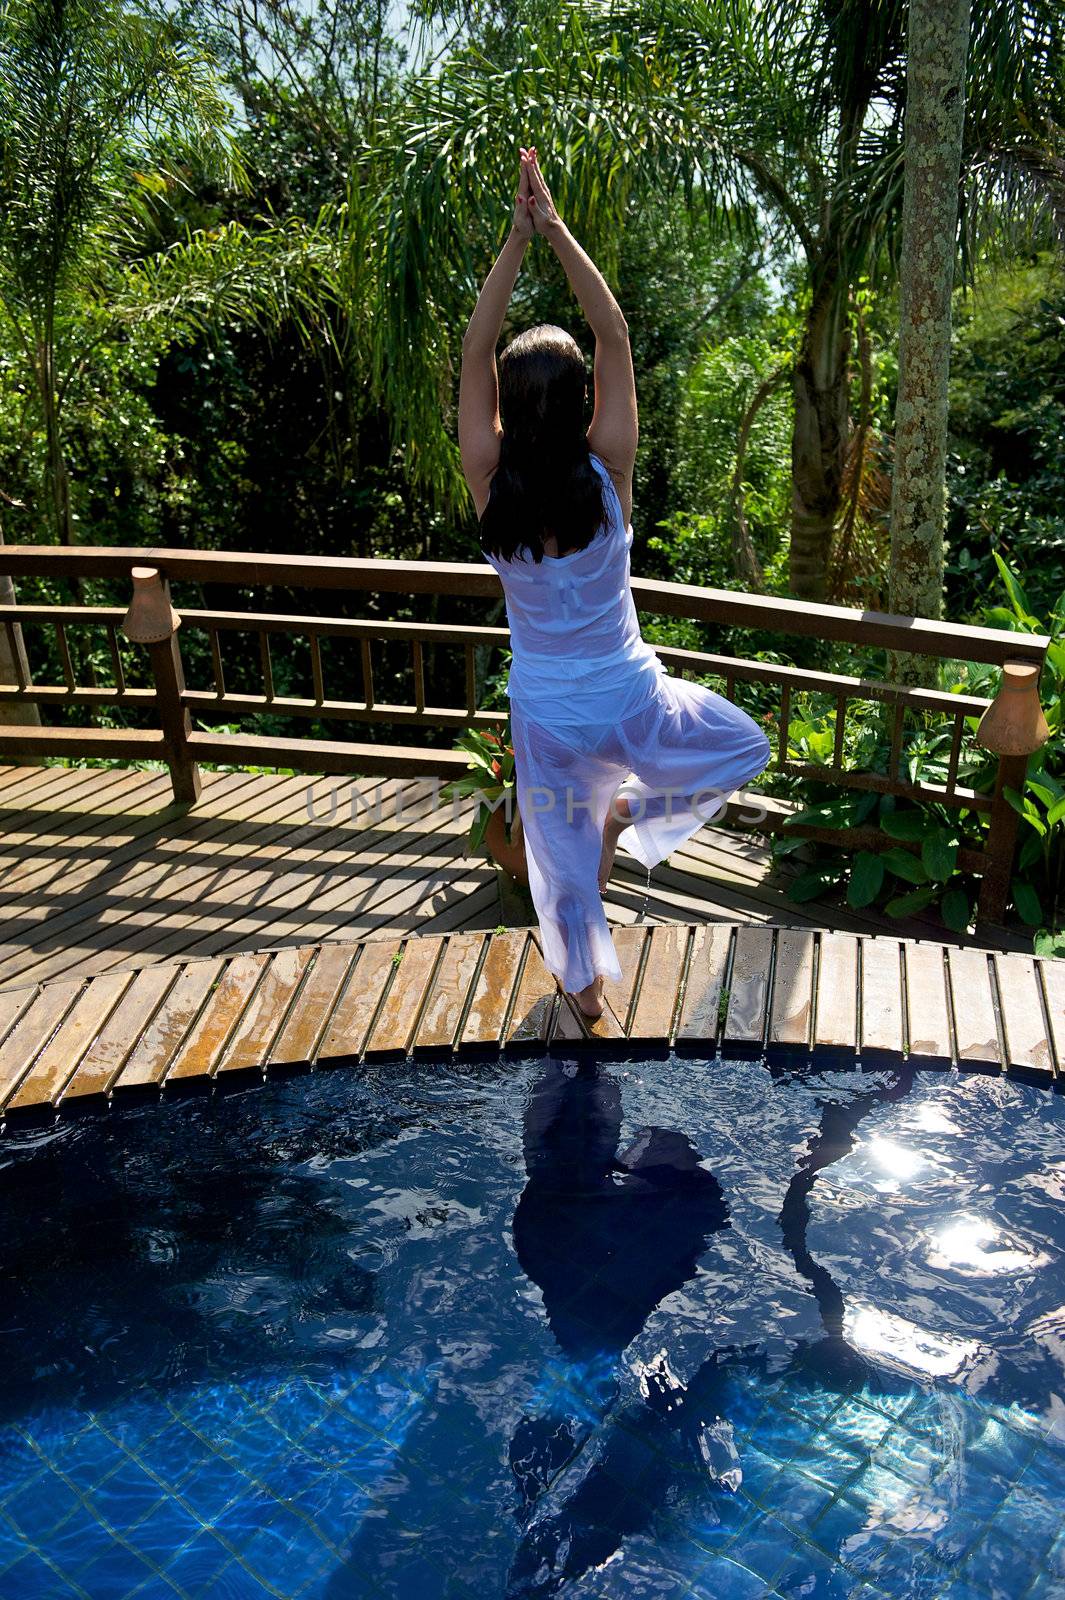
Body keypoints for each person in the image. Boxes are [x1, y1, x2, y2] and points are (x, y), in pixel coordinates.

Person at [459, 145, 771, 1020]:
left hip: (550, 718)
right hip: (630, 702)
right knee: (741, 747)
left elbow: (478, 347)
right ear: (583, 399)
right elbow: (616, 334)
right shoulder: (609, 472)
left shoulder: (491, 484)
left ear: (509, 411)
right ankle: (631, 807)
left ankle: (587, 999)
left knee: (559, 867)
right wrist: (553, 229)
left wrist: (514, 244)